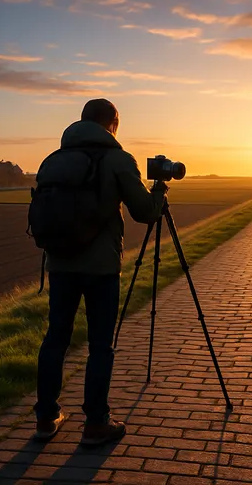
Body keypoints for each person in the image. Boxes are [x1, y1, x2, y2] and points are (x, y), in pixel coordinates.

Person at [33, 99, 167, 445]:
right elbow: (145, 213)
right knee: (100, 346)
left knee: (56, 339)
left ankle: (46, 418)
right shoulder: (118, 160)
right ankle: (96, 423)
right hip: (101, 268)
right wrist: (160, 191)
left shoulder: (53, 161)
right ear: (113, 123)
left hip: (60, 264)